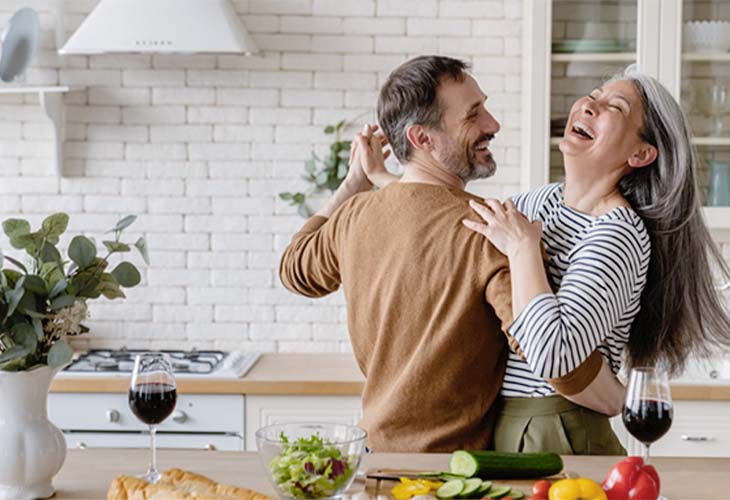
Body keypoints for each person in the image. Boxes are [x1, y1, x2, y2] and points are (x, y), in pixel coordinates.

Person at [359, 65, 730, 454]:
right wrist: (384, 178)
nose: (589, 105)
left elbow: (555, 355)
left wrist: (522, 252)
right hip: (504, 425)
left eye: (614, 107)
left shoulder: (617, 233)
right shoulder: (543, 201)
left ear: (640, 153)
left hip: (559, 430)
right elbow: (460, 220)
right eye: (595, 94)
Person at [278, 56, 609, 453]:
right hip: (451, 476)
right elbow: (553, 358)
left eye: (484, 106)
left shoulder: (354, 216)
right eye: (473, 115)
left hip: (372, 460)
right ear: (422, 138)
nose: (492, 124)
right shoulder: (487, 230)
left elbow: (294, 269)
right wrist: (622, 398)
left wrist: (354, 184)